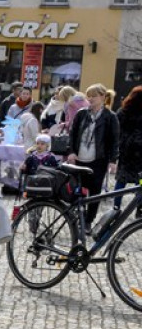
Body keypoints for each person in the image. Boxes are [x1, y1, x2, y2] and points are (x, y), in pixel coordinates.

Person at [67, 84, 120, 230]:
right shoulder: (81, 113)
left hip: (98, 159)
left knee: (95, 192)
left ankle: (88, 221)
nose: (90, 99)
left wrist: (113, 160)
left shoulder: (110, 117)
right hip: (79, 158)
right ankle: (78, 216)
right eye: (88, 95)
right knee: (77, 190)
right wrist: (71, 151)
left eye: (94, 96)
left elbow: (115, 141)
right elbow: (72, 134)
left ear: (103, 97)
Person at [113, 85, 142, 214]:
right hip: (140, 151)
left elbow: (116, 129)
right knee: (140, 181)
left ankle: (116, 207)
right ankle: (139, 208)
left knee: (121, 180)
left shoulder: (123, 110)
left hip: (125, 150)